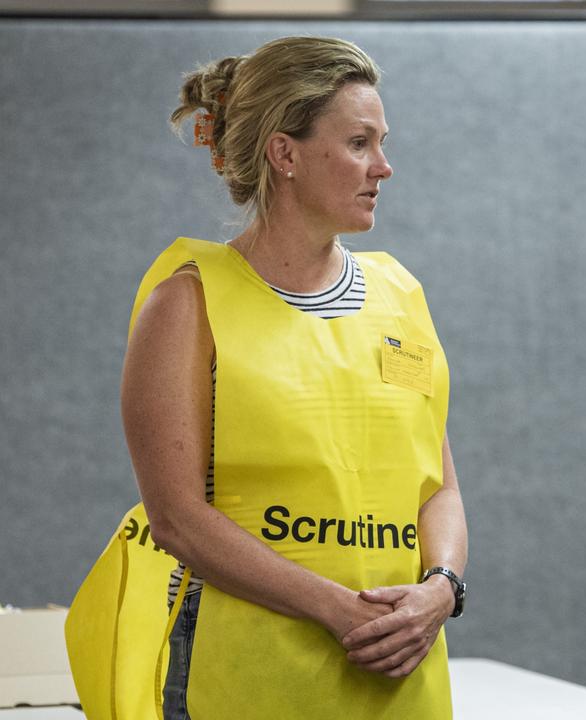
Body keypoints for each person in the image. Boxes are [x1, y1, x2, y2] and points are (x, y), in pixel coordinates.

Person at [119, 37, 466, 718]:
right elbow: (178, 520)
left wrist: (441, 588)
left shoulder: (401, 295)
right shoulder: (189, 304)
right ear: (286, 155)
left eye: (382, 142)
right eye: (360, 143)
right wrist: (337, 611)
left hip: (400, 670)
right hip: (247, 672)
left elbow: (439, 486)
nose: (384, 167)